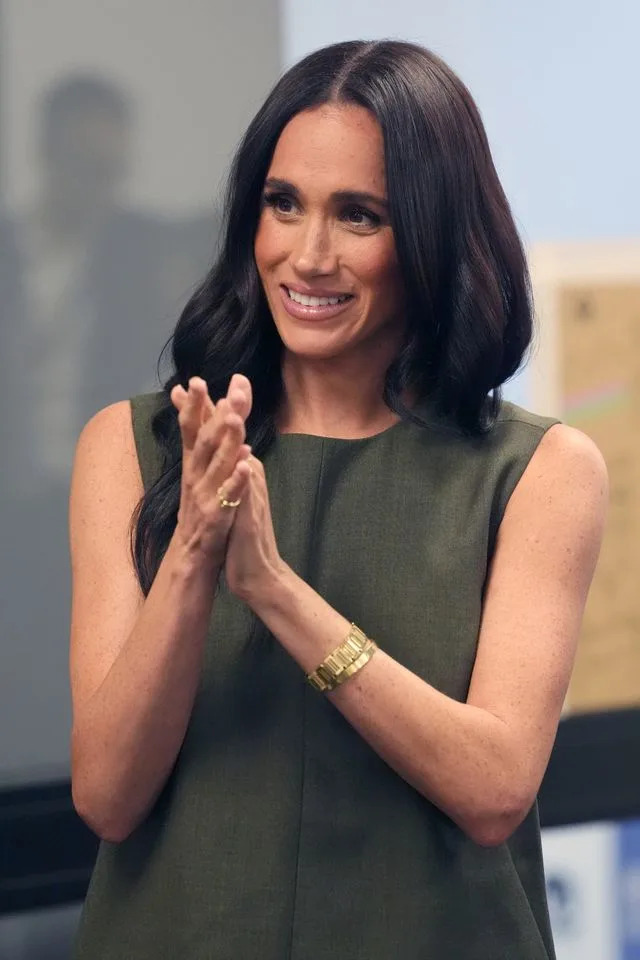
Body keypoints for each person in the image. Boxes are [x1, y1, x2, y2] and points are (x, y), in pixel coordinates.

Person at [68, 39, 607, 960]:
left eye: (358, 216)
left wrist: (276, 590)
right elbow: (108, 796)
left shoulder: (539, 470)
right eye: (284, 204)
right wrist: (195, 550)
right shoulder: (132, 446)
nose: (307, 256)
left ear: (434, 239)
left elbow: (494, 790)